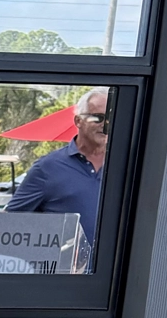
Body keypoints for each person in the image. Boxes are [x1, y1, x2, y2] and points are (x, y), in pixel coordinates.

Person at [6, 88, 112, 266]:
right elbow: (10, 223)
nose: (105, 124)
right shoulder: (47, 168)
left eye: (111, 118)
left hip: (115, 276)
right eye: (98, 118)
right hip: (63, 277)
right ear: (78, 121)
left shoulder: (128, 163)